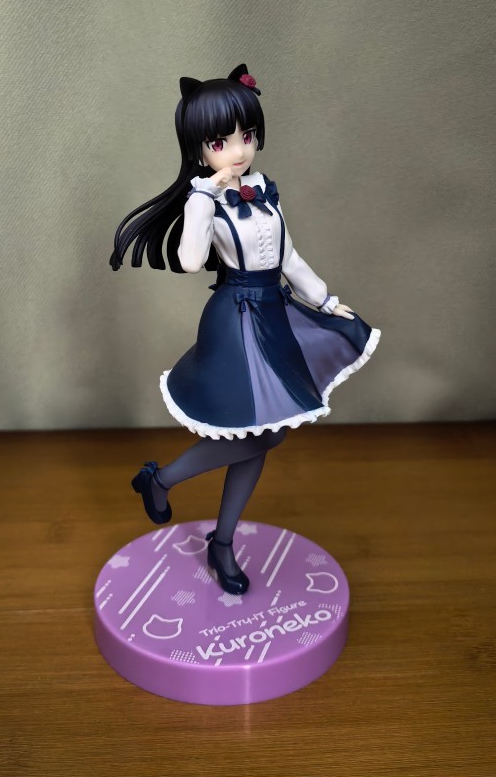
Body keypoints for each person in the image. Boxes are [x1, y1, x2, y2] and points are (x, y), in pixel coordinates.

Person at [110, 64, 380, 595]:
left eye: (247, 135)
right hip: (235, 320)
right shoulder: (203, 199)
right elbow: (190, 261)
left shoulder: (264, 189)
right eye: (221, 142)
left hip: (273, 311)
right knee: (259, 432)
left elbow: (289, 258)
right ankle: (171, 489)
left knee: (262, 436)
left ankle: (213, 532)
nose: (238, 150)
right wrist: (202, 198)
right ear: (199, 149)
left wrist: (325, 300)